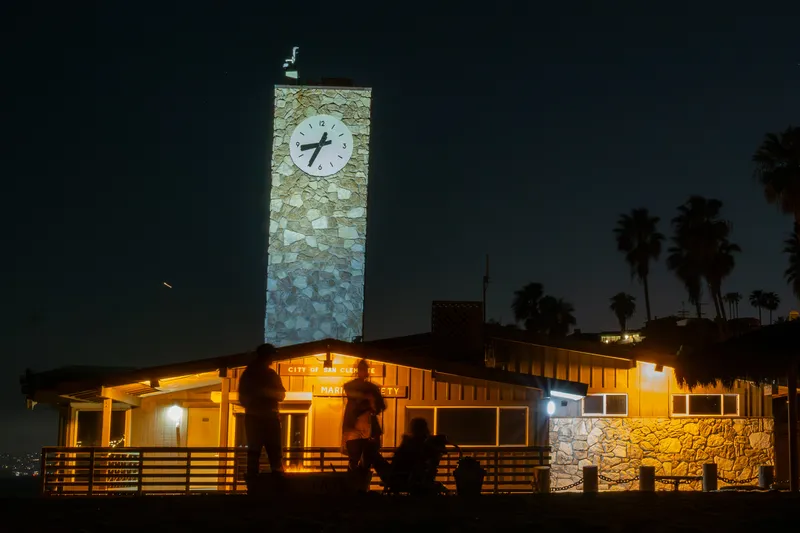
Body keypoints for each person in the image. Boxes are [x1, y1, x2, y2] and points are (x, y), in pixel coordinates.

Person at [238, 343, 286, 491]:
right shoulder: (258, 375)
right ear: (267, 357)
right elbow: (280, 395)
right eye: (271, 356)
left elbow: (281, 395)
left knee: (264, 451)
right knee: (263, 452)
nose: (272, 359)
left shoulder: (254, 374)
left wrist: (264, 393)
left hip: (260, 418)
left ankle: (260, 484)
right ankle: (269, 484)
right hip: (261, 418)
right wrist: (266, 394)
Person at [342, 359, 386, 485]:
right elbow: (352, 393)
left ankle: (361, 486)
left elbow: (380, 405)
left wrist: (374, 405)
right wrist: (368, 399)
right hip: (354, 429)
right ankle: (353, 485)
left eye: (364, 369)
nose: (362, 372)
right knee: (355, 459)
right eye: (361, 369)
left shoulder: (372, 388)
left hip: (368, 428)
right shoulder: (352, 386)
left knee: (367, 459)